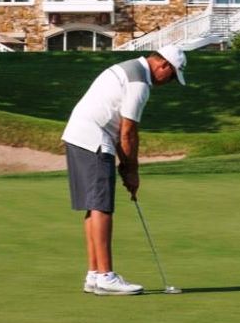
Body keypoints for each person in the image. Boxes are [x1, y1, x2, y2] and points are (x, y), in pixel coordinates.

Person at [61, 45, 187, 296]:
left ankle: (95, 275)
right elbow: (128, 132)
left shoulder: (127, 67)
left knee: (94, 206)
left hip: (78, 134)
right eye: (172, 76)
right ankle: (106, 276)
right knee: (102, 207)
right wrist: (132, 171)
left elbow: (121, 131)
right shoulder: (139, 83)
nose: (169, 82)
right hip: (94, 138)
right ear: (163, 66)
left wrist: (126, 166)